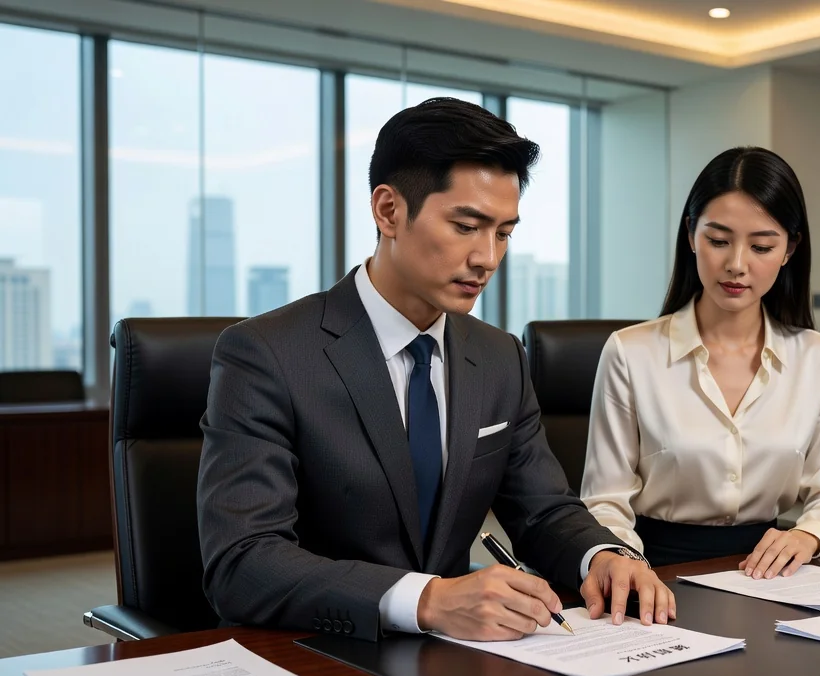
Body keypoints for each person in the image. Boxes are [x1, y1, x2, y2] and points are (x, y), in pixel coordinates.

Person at [198, 97, 674, 644]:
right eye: (467, 226)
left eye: (504, 233)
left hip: (455, 659)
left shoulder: (498, 357)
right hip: (314, 654)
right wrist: (426, 598)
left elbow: (543, 511)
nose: (488, 257)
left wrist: (602, 555)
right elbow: (243, 561)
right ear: (388, 211)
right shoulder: (266, 354)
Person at [579, 146, 820, 573]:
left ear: (789, 249)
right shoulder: (630, 352)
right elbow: (604, 502)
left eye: (762, 247)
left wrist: (808, 534)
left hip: (773, 574)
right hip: (654, 571)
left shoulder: (817, 358)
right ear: (692, 234)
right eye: (718, 241)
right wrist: (622, 562)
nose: (736, 265)